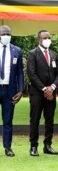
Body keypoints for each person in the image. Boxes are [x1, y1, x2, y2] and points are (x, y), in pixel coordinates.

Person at [27, 30, 58, 156]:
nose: (47, 39)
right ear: (39, 40)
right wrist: (44, 88)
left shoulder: (53, 54)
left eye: (49, 37)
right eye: (44, 37)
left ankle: (48, 145)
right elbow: (31, 74)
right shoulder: (32, 54)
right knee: (35, 119)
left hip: (51, 92)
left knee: (49, 119)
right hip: (37, 92)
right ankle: (33, 146)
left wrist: (52, 87)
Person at [0, 25, 24, 157]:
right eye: (3, 34)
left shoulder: (17, 51)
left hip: (10, 90)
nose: (6, 36)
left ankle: (7, 147)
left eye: (8, 34)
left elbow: (20, 73)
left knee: (8, 121)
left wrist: (20, 90)